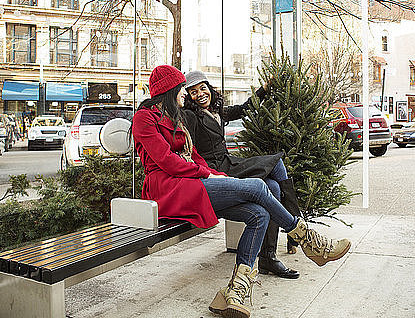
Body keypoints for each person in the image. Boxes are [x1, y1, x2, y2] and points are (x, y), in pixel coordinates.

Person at [131, 65, 351, 318]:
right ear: (170, 90)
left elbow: (194, 157)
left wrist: (217, 176)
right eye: (183, 88)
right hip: (168, 189)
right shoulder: (145, 117)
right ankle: (308, 241)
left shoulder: (174, 116)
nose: (186, 93)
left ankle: (234, 293)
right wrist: (207, 174)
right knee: (259, 186)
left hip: (190, 184)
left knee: (259, 214)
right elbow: (166, 160)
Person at [182, 70, 300, 279]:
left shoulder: (217, 110)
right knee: (277, 162)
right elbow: (181, 134)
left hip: (229, 162)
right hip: (216, 169)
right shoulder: (192, 116)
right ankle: (297, 225)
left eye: (202, 88)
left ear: (209, 88)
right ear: (188, 96)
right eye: (193, 92)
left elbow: (245, 109)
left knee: (273, 187)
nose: (200, 94)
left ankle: (268, 257)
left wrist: (264, 90)